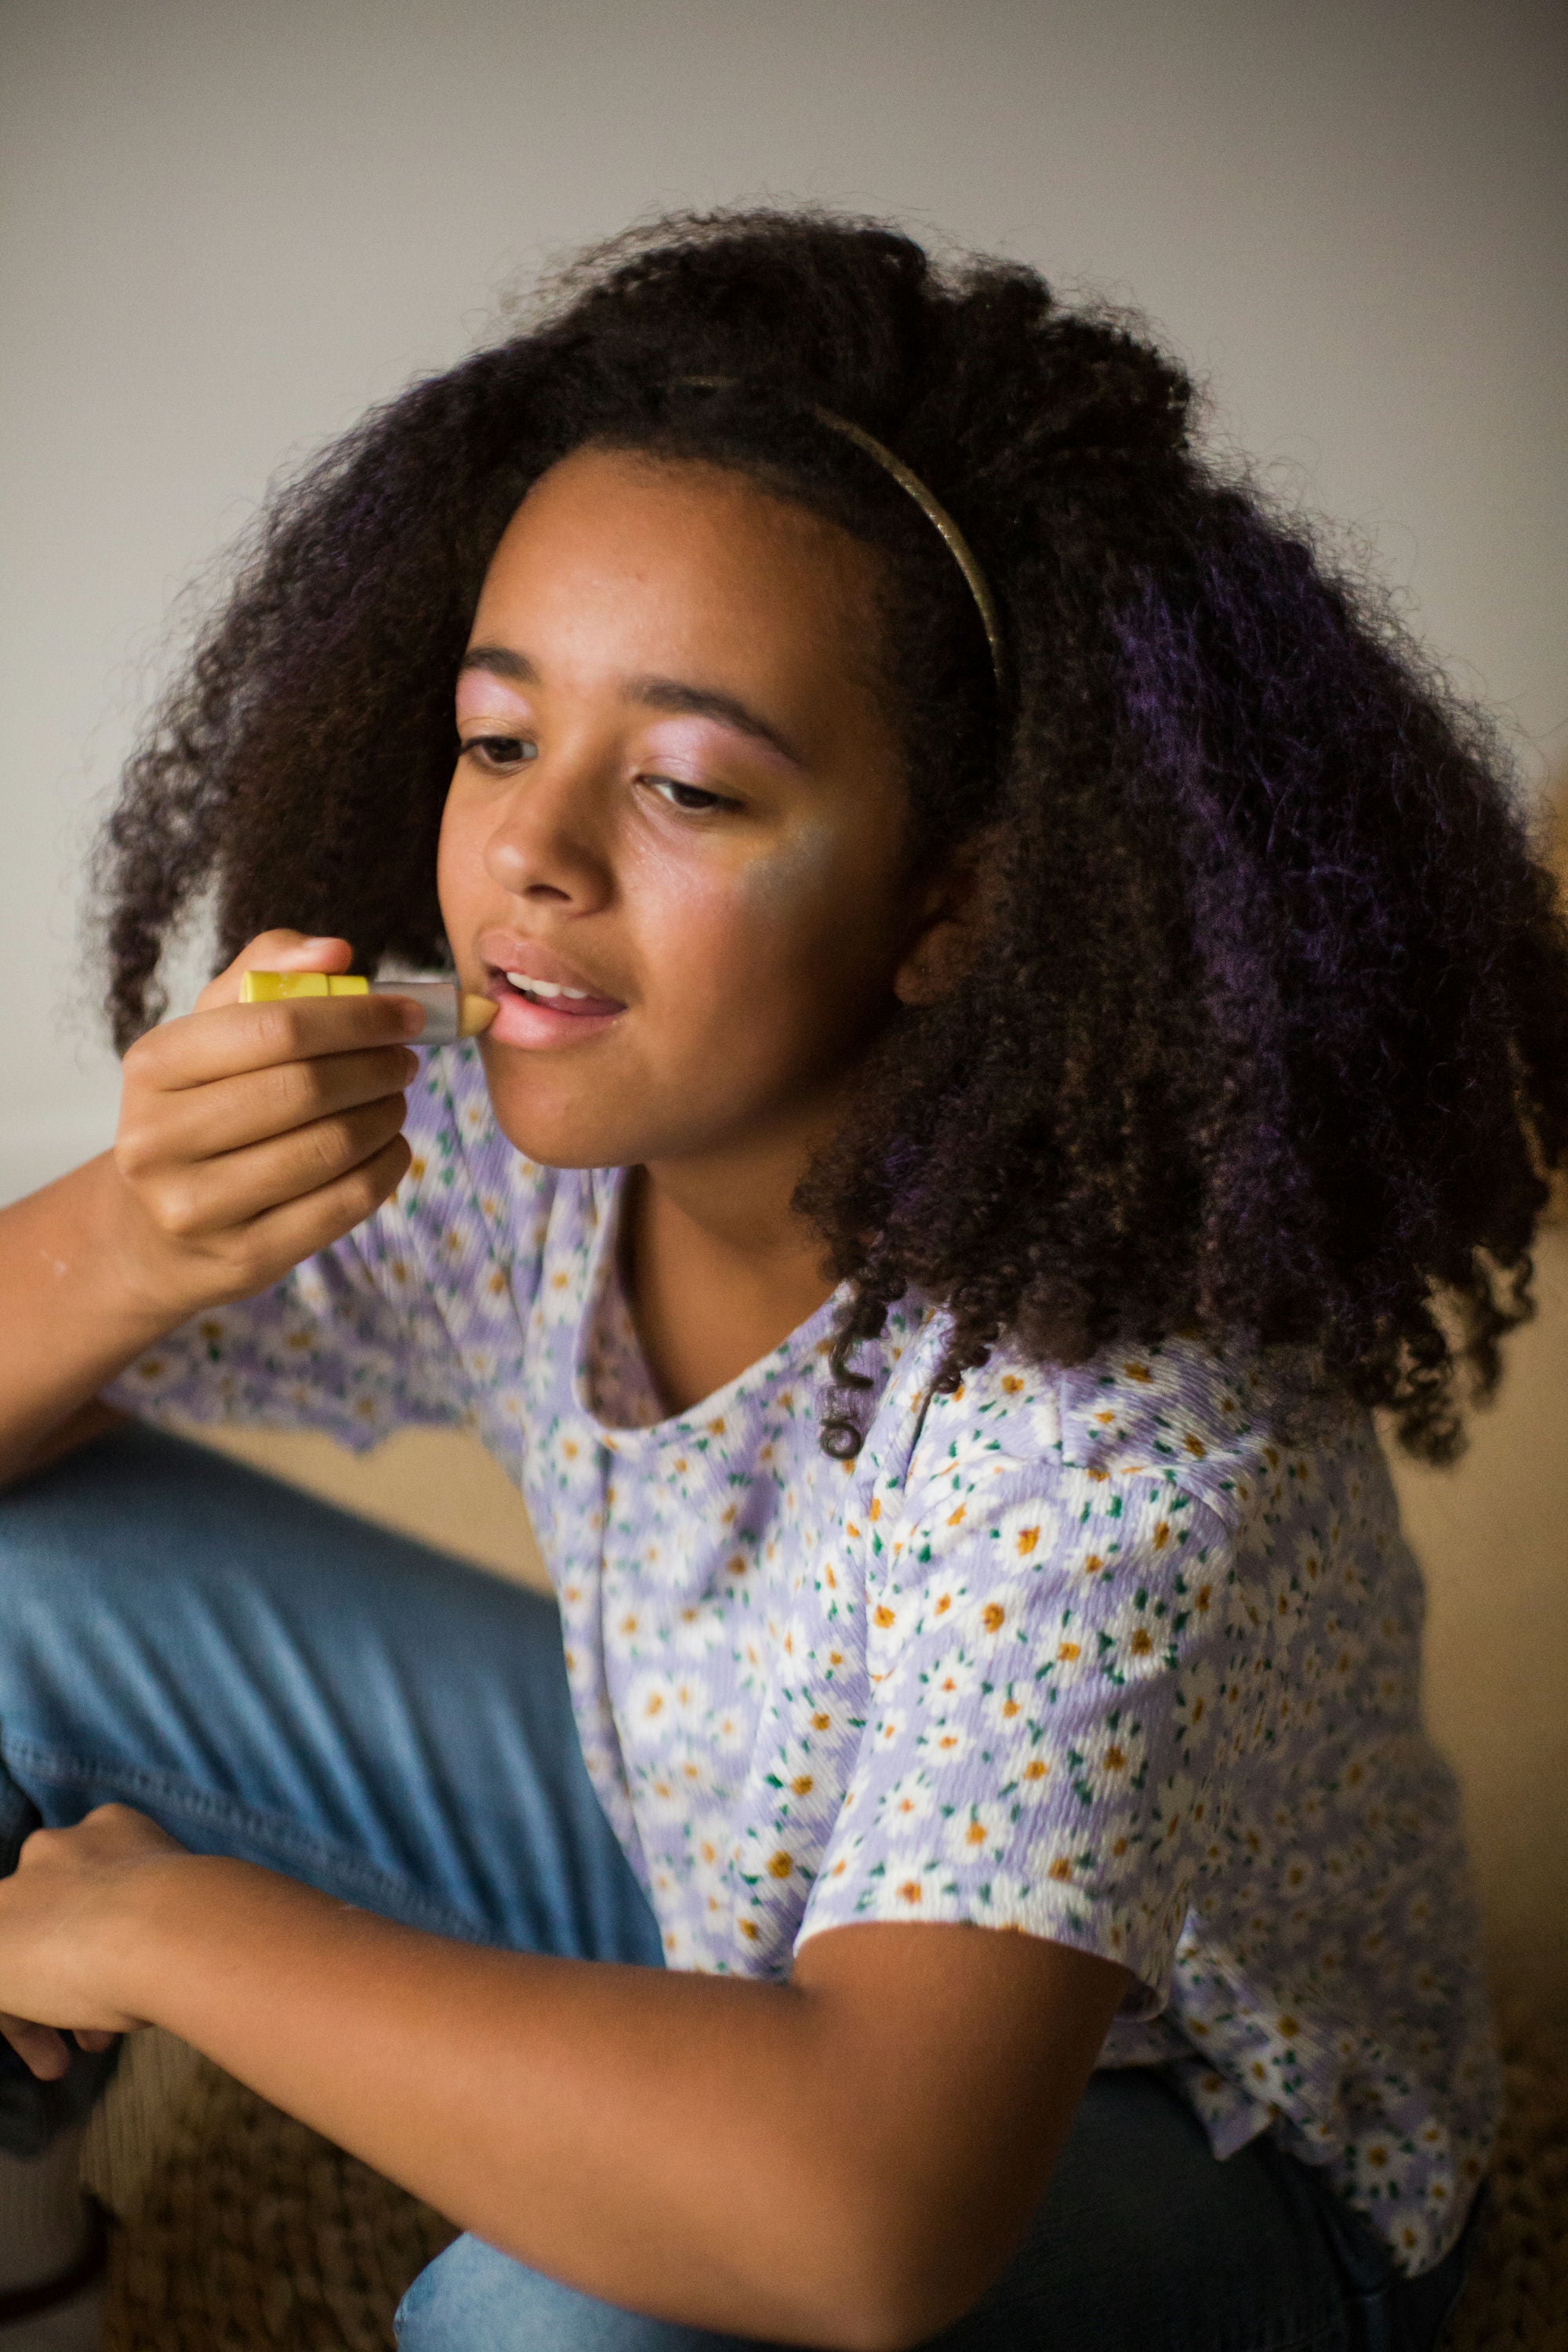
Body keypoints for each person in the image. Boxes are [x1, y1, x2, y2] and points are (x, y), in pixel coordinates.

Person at [0, 209, 1561, 2352]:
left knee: (550, 2323)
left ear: (954, 899)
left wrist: (167, 1933)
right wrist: (135, 1233)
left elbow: (865, 2219)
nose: (534, 851)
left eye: (686, 787)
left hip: (1193, 2165)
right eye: (493, 736)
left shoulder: (1110, 1424)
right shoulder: (510, 1158)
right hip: (716, 1887)